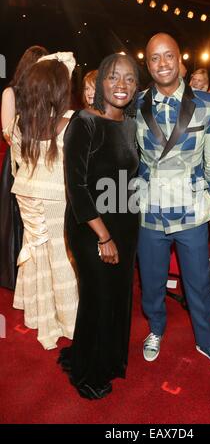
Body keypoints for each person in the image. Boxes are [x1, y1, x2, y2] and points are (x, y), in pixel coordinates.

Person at [136, 32, 210, 373]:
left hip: (191, 208)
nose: (162, 63)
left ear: (180, 60)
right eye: (154, 58)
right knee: (151, 281)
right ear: (147, 64)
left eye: (168, 56)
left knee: (198, 282)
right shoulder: (136, 102)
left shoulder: (207, 103)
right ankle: (156, 329)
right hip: (150, 208)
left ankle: (206, 341)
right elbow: (130, 156)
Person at [58, 53, 139, 400]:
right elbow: (76, 187)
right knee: (97, 296)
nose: (121, 85)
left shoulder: (131, 123)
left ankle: (107, 360)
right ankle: (87, 372)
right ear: (100, 83)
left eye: (130, 79)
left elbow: (128, 176)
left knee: (118, 297)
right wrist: (104, 236)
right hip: (91, 227)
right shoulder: (84, 122)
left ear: (137, 86)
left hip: (126, 223)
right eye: (113, 77)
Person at [3, 52, 79, 349]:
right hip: (55, 197)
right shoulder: (69, 121)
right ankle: (67, 320)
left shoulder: (23, 121)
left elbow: (17, 161)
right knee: (60, 257)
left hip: (26, 192)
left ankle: (39, 314)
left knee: (35, 251)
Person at [0, 45, 48, 290]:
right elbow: (8, 132)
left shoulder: (46, 93)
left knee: (41, 218)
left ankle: (39, 274)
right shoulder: (11, 92)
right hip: (18, 161)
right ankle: (17, 275)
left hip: (42, 161)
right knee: (18, 217)